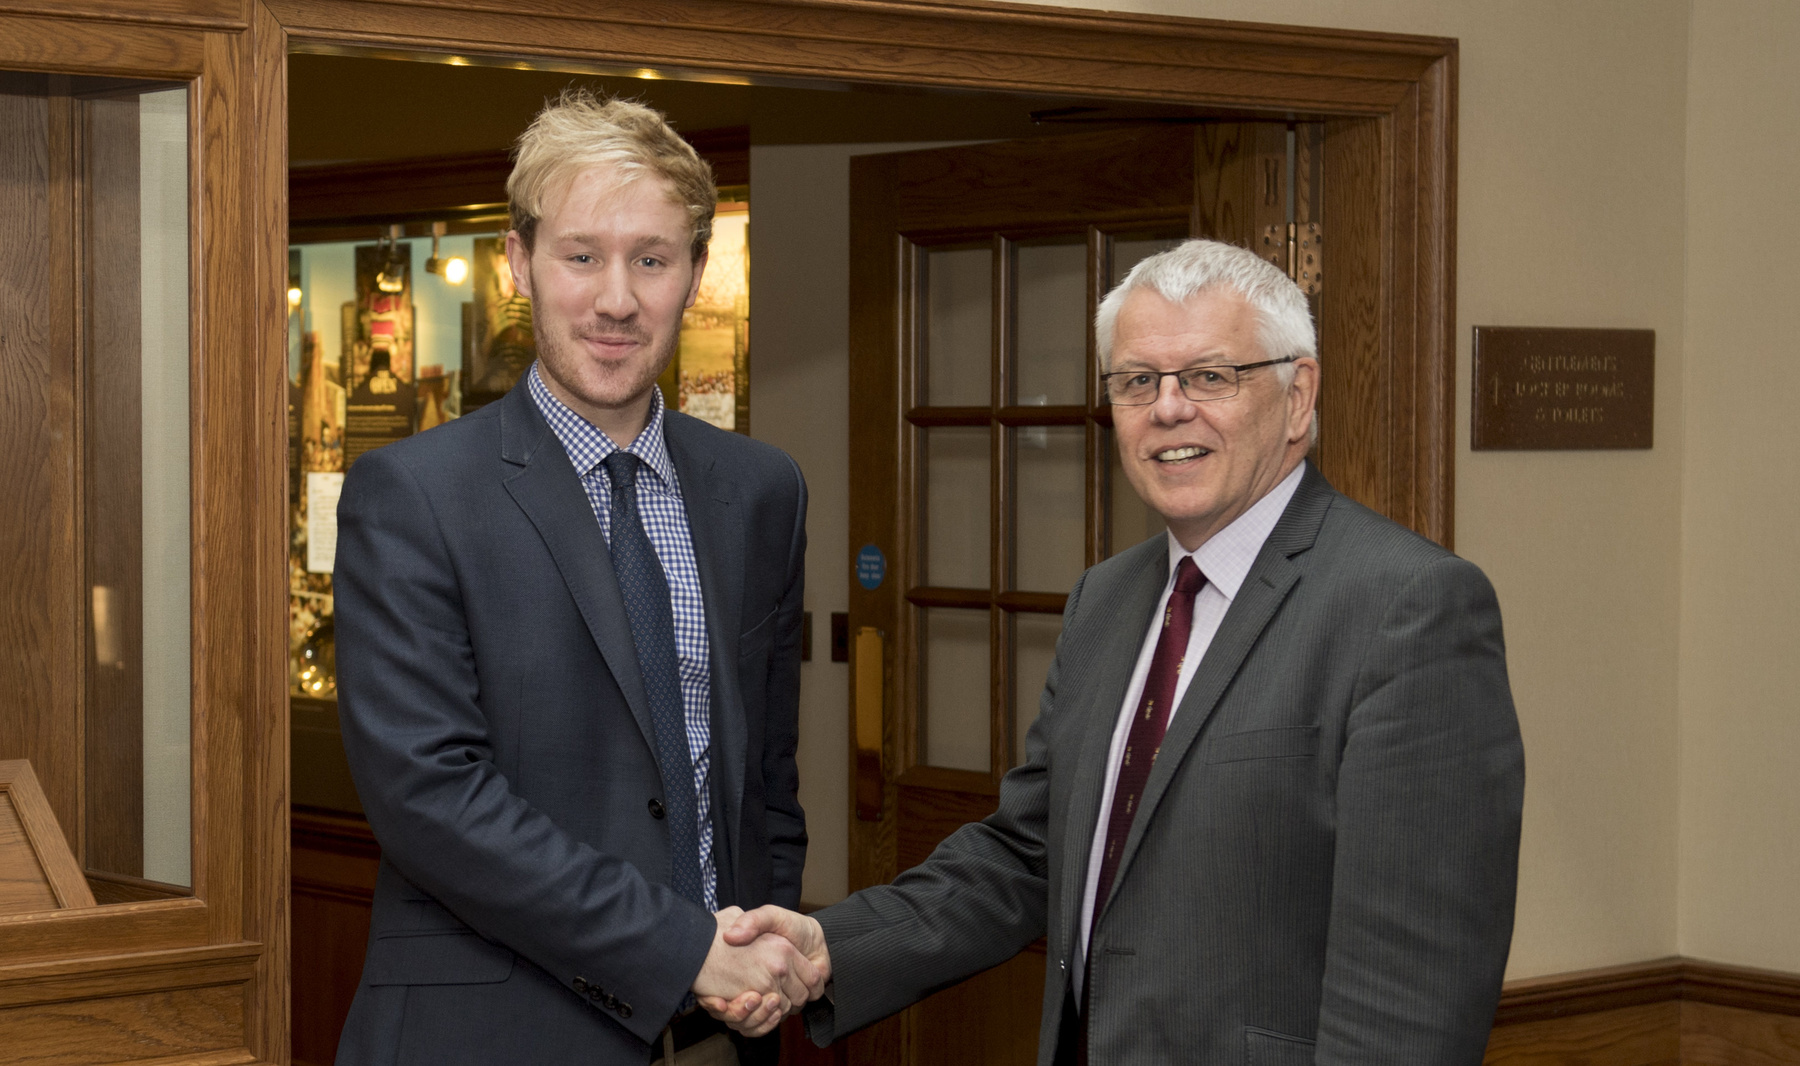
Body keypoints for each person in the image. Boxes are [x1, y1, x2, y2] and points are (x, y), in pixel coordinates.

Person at [711, 239, 1525, 1064]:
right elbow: (1029, 853)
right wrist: (827, 948)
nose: (1169, 409)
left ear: (1298, 394)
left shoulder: (1407, 608)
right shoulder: (1109, 599)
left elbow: (1411, 995)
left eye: (1211, 376)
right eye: (1138, 381)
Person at [333, 91, 820, 1066]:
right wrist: (681, 950)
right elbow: (432, 800)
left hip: (717, 1036)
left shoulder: (760, 490)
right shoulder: (412, 495)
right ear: (519, 263)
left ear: (695, 269)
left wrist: (762, 950)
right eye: (581, 255)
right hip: (489, 1035)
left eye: (652, 258)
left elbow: (763, 782)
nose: (616, 299)